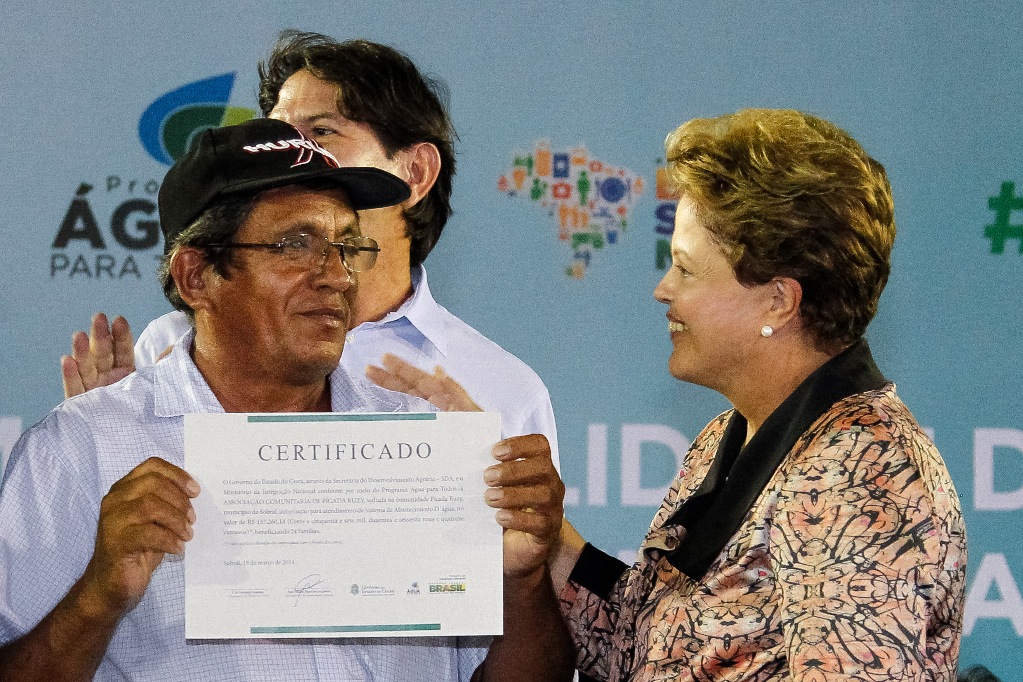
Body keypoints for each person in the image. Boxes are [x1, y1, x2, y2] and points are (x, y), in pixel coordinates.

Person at [373, 109, 968, 681]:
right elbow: (634, 645)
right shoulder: (726, 437)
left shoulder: (865, 469)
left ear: (778, 301)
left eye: (685, 269)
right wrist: (530, 518)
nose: (663, 290)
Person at [0, 118, 571, 681]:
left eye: (347, 246)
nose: (337, 277)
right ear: (196, 276)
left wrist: (523, 583)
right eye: (297, 245)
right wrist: (98, 597)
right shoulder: (82, 450)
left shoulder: (423, 442)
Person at [60, 31, 559, 466]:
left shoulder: (502, 389)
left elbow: (526, 544)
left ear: (416, 171)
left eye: (322, 131)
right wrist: (113, 441)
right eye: (279, 134)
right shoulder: (173, 347)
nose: (299, 155)